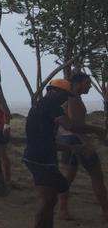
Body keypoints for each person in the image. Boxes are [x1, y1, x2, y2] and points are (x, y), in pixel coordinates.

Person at [23, 79, 105, 228]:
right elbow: (71, 126)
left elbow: (43, 140)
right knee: (47, 200)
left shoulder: (39, 105)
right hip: (41, 159)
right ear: (54, 91)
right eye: (64, 95)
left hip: (37, 156)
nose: (65, 99)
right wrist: (97, 130)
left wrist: (71, 149)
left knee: (52, 197)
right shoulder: (51, 105)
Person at [58, 72, 108, 221]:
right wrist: (87, 141)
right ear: (78, 84)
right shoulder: (73, 99)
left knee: (68, 177)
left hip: (65, 139)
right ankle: (106, 211)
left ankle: (63, 210)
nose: (90, 86)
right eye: (87, 83)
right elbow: (74, 125)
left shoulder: (69, 98)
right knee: (97, 175)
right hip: (76, 140)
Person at [0, 91, 12, 184]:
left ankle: (7, 180)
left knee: (2, 155)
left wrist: (6, 126)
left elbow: (7, 113)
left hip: (0, 129)